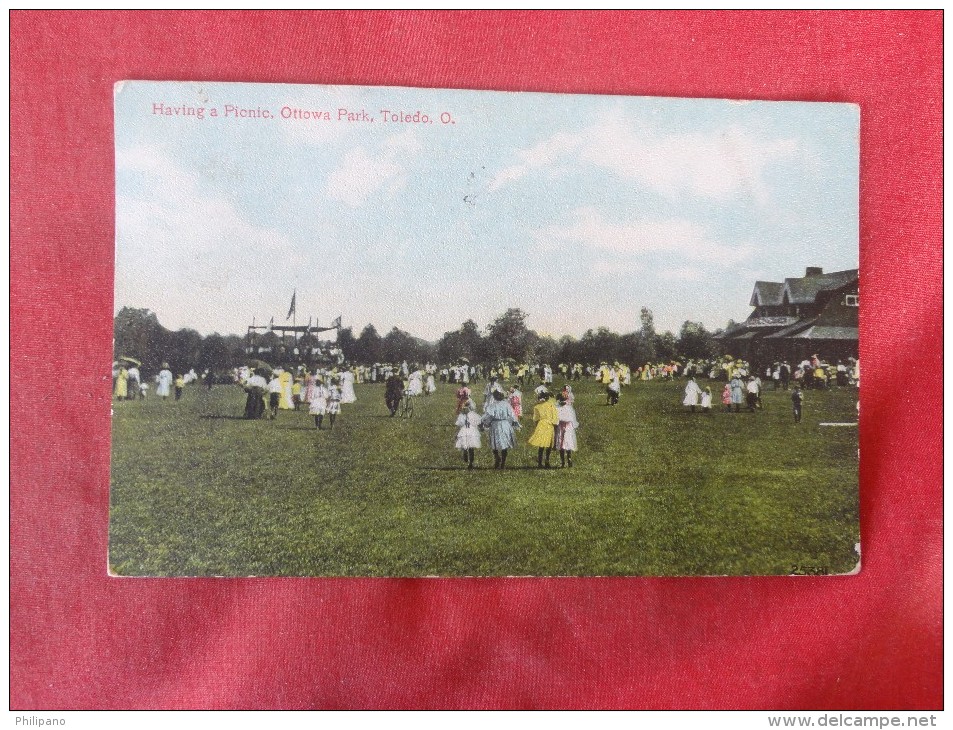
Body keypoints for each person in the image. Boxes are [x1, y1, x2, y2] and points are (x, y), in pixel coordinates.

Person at [481, 390, 520, 469]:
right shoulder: (507, 405)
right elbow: (512, 415)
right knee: (504, 444)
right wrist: (514, 422)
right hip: (505, 424)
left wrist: (485, 423)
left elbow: (488, 416)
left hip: (496, 425)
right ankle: (502, 462)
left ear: (494, 397)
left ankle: (497, 458)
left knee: (495, 443)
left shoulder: (492, 406)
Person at [528, 391, 559, 468]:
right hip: (549, 425)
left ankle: (540, 462)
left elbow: (536, 419)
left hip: (541, 425)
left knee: (541, 444)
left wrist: (537, 426)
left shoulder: (537, 407)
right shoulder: (552, 405)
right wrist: (555, 425)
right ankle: (547, 460)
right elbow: (555, 417)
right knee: (548, 444)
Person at [554, 396, 579, 468]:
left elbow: (569, 418)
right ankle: (564, 461)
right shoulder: (560, 408)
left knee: (565, 443)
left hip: (566, 427)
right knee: (563, 443)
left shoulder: (566, 408)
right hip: (563, 427)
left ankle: (567, 460)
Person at [455, 402, 481, 470]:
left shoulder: (462, 415)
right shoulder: (474, 415)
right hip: (472, 431)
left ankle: (465, 454)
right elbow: (478, 423)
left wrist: (457, 434)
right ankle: (471, 462)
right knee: (471, 448)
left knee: (465, 445)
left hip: (464, 431)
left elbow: (459, 424)